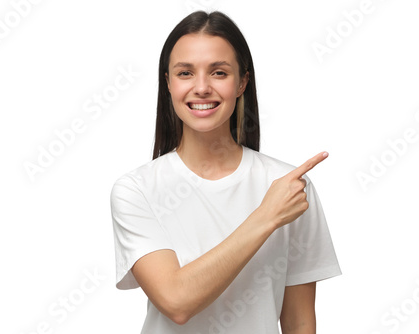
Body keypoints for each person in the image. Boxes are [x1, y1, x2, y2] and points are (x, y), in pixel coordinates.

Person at [111, 10, 341, 334]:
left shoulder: (290, 189)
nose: (202, 87)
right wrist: (266, 217)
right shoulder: (136, 190)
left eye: (218, 72)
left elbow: (299, 321)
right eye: (185, 73)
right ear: (168, 83)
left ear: (242, 81)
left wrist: (276, 208)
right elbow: (176, 301)